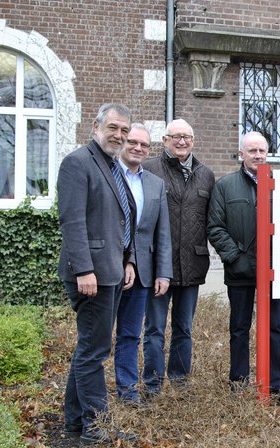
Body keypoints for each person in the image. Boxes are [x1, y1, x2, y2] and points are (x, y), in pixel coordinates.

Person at [58, 103, 137, 444]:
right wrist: (84, 270)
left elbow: (122, 219)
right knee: (94, 352)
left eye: (124, 130)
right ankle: (95, 427)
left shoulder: (112, 166)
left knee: (88, 348)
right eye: (113, 128)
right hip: (92, 276)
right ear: (96, 126)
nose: (118, 135)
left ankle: (75, 423)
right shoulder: (77, 163)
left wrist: (129, 259)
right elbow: (72, 221)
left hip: (112, 272)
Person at [207, 131, 280, 406]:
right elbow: (215, 226)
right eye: (252, 151)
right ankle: (239, 384)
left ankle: (278, 386)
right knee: (239, 327)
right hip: (240, 270)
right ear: (241, 154)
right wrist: (235, 257)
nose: (258, 155)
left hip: (273, 272)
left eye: (262, 151)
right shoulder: (225, 186)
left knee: (275, 328)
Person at [142, 119, 215, 395]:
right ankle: (152, 383)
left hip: (192, 265)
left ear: (193, 140)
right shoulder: (149, 170)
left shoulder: (206, 174)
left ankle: (180, 381)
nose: (181, 141)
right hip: (158, 265)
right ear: (165, 140)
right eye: (176, 137)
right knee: (155, 329)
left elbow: (211, 220)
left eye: (186, 137)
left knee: (184, 328)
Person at [113, 123, 172, 405]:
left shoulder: (155, 184)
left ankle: (127, 392)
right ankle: (91, 395)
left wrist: (163, 272)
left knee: (131, 334)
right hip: (110, 268)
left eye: (144, 145)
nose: (138, 148)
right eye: (133, 142)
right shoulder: (108, 175)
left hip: (144, 273)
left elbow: (162, 232)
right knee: (97, 339)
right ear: (123, 142)